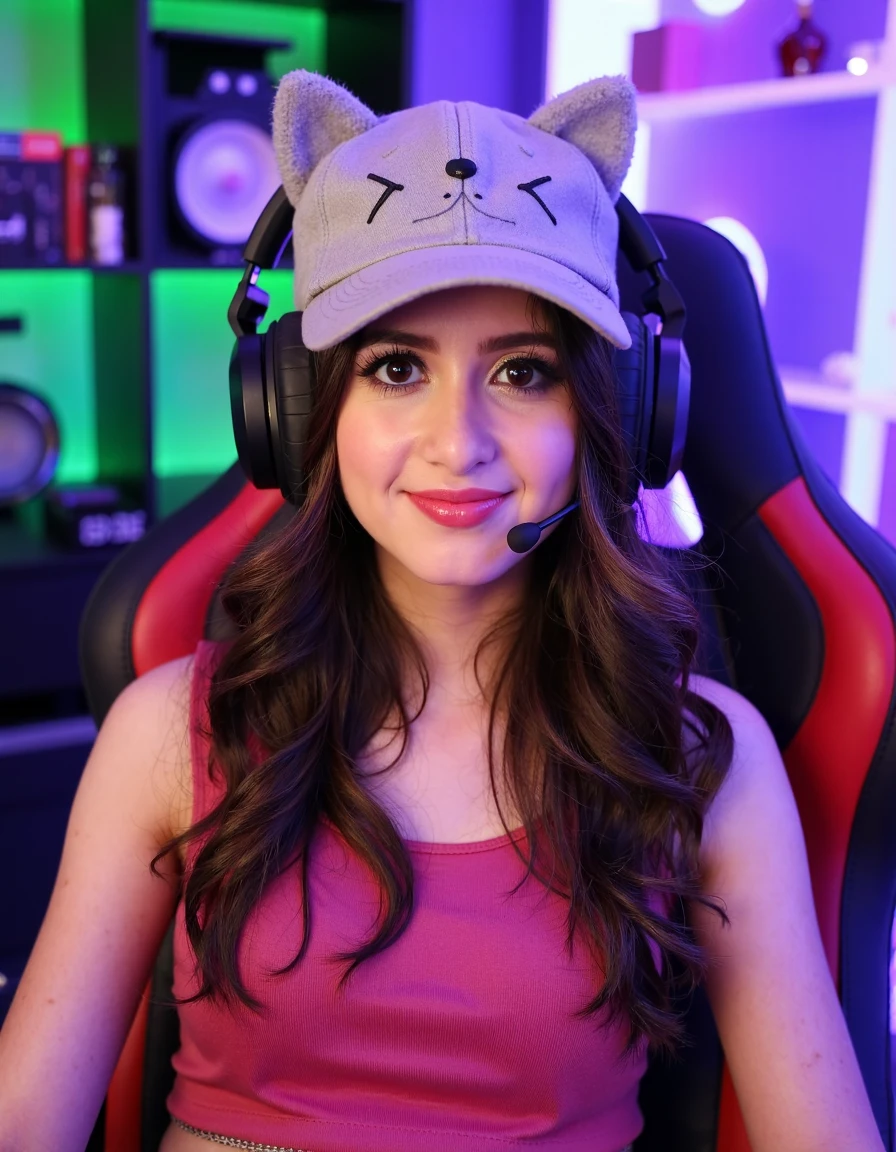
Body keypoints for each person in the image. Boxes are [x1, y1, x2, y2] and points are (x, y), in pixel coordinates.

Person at [0, 71, 885, 1152]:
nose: (455, 440)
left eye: (520, 371)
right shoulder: (168, 735)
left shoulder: (703, 760)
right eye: (395, 367)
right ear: (297, 413)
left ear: (611, 413)